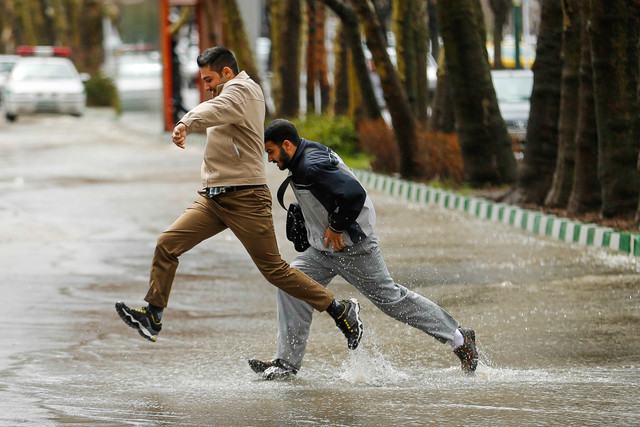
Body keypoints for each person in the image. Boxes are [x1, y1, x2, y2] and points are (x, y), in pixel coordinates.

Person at [115, 47, 363, 353]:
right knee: (168, 244)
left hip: (246, 197)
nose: (206, 86)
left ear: (227, 72)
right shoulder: (225, 94)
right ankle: (153, 314)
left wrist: (184, 123)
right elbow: (215, 110)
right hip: (214, 198)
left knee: (274, 269)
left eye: (209, 78)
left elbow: (213, 111)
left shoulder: (242, 90)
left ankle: (340, 310)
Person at [248, 119, 478, 380]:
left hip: (353, 249)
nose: (270, 159)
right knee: (291, 284)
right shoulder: (304, 158)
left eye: (271, 151)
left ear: (286, 145)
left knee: (392, 300)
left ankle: (459, 338)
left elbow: (353, 194)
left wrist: (335, 226)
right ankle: (286, 364)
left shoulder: (313, 164)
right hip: (322, 251)